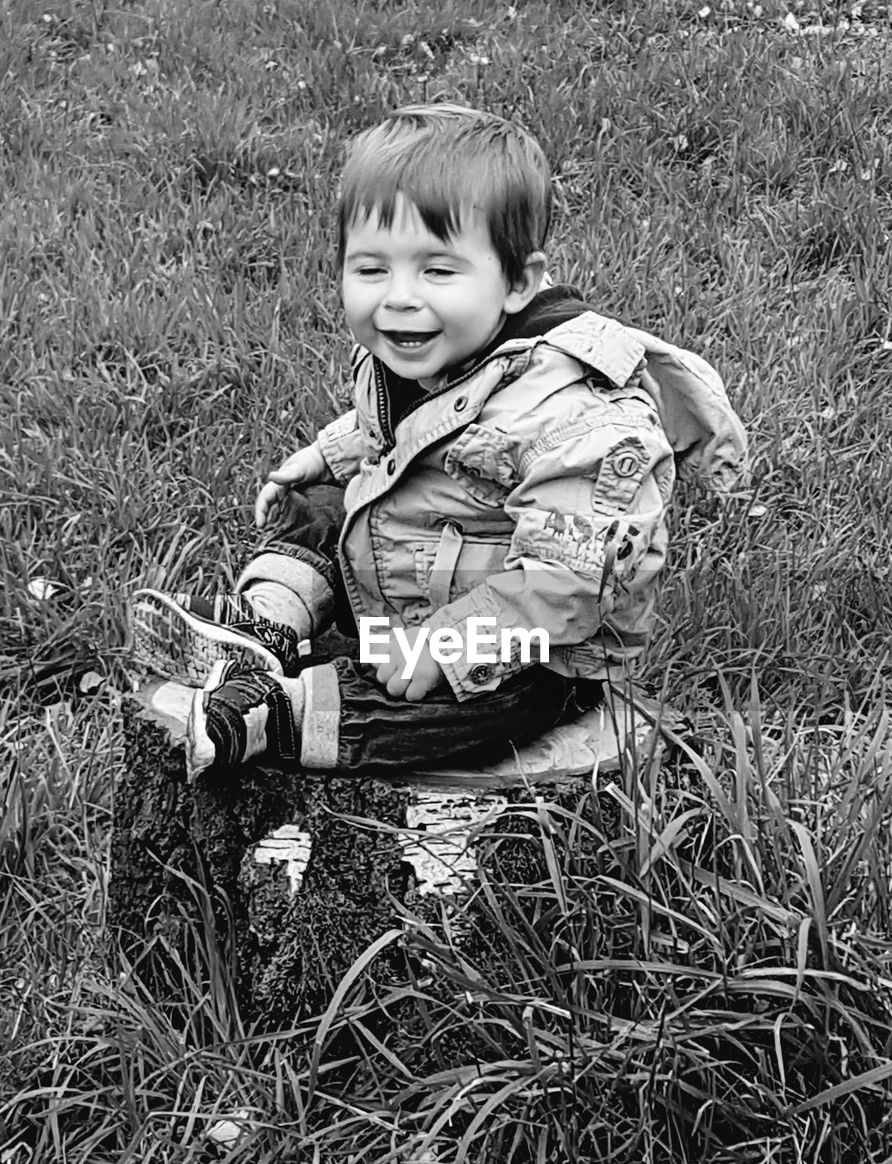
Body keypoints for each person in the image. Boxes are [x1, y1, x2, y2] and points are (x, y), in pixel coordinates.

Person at [130, 103, 747, 780]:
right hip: (417, 562)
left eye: (437, 271)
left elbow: (569, 588)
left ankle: (280, 714)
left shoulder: (582, 422)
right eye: (371, 270)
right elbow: (396, 433)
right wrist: (327, 456)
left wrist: (445, 646)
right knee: (330, 498)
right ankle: (267, 624)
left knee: (464, 704)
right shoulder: (432, 349)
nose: (398, 298)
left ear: (518, 281)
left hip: (523, 646)